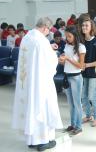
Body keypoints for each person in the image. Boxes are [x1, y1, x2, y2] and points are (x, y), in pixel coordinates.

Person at [12, 17, 63, 151]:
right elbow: (49, 62)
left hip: (28, 82)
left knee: (30, 107)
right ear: (45, 27)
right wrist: (54, 54)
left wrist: (48, 47)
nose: (49, 33)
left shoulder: (27, 37)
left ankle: (32, 140)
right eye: (49, 30)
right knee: (41, 108)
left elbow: (35, 55)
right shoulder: (41, 41)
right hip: (40, 83)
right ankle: (42, 141)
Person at [59, 25, 86, 135]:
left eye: (69, 36)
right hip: (67, 76)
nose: (67, 38)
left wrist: (68, 59)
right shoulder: (67, 45)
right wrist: (61, 60)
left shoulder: (81, 47)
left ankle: (79, 126)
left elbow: (80, 65)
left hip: (76, 77)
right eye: (66, 36)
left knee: (77, 103)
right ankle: (73, 124)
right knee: (70, 104)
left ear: (75, 36)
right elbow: (65, 61)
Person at [80, 19, 96, 127]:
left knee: (91, 96)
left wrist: (87, 65)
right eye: (83, 25)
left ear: (91, 27)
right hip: (84, 73)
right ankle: (88, 115)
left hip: (93, 74)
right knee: (83, 96)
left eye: (86, 25)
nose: (84, 27)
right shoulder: (81, 41)